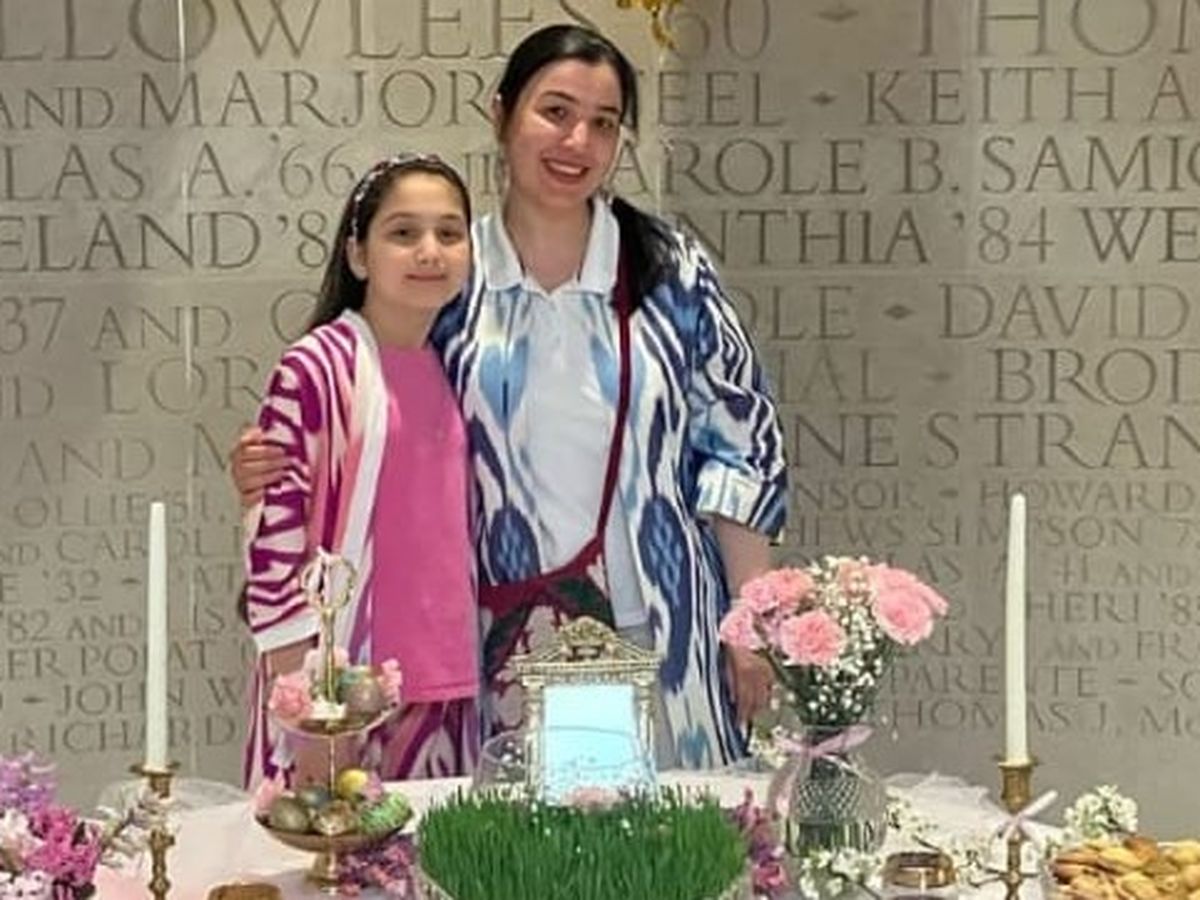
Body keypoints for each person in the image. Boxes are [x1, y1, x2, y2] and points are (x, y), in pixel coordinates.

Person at [234, 23, 786, 769]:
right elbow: (370, 415)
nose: (577, 141)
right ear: (501, 114)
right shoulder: (450, 277)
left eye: (604, 123)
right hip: (497, 648)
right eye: (554, 112)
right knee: (514, 833)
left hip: (663, 631)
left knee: (671, 832)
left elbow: (741, 444)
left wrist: (750, 622)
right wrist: (280, 462)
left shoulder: (668, 270)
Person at [242, 153, 479, 788]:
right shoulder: (316, 368)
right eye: (403, 232)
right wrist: (304, 704)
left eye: (449, 233)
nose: (429, 251)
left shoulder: (456, 366)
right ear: (358, 254)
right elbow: (273, 541)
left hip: (448, 685)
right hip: (345, 692)